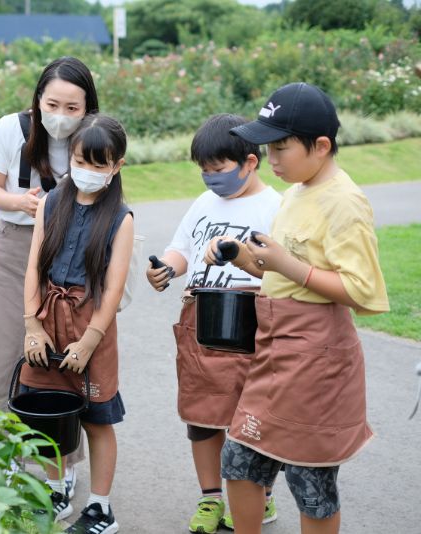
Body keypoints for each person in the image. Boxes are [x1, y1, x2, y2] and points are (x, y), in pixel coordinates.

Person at [219, 83, 389, 534]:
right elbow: (279, 272)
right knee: (238, 459)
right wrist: (243, 256)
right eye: (266, 148)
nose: (270, 159)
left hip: (318, 359)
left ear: (321, 146)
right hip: (275, 350)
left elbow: (361, 289)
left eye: (280, 147)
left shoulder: (344, 201)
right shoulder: (295, 192)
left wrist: (286, 264)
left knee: (309, 476)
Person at [146, 114, 282, 533]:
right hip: (200, 320)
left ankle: (261, 496)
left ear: (250, 162)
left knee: (253, 417)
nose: (210, 180)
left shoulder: (275, 206)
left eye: (219, 171)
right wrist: (167, 269)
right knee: (201, 415)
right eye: (204, 171)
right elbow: (180, 248)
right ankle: (210, 500)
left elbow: (282, 266)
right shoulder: (203, 204)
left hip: (251, 319)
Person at [0, 56, 99, 490]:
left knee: (61, 356)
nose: (62, 116)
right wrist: (21, 203)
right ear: (38, 99)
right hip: (17, 242)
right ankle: (1, 452)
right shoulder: (11, 128)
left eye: (73, 108)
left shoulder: (95, 136)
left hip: (70, 248)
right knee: (8, 348)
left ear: (88, 108)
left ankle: (62, 465)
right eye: (53, 104)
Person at [21, 114, 133, 534]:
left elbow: (113, 289)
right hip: (47, 316)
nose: (87, 170)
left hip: (92, 325)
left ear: (116, 165)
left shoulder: (121, 218)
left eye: (99, 163)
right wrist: (32, 323)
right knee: (47, 413)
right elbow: (33, 265)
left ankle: (101, 509)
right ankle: (55, 491)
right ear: (70, 156)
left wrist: (89, 340)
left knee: (97, 419)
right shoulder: (51, 202)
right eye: (81, 160)